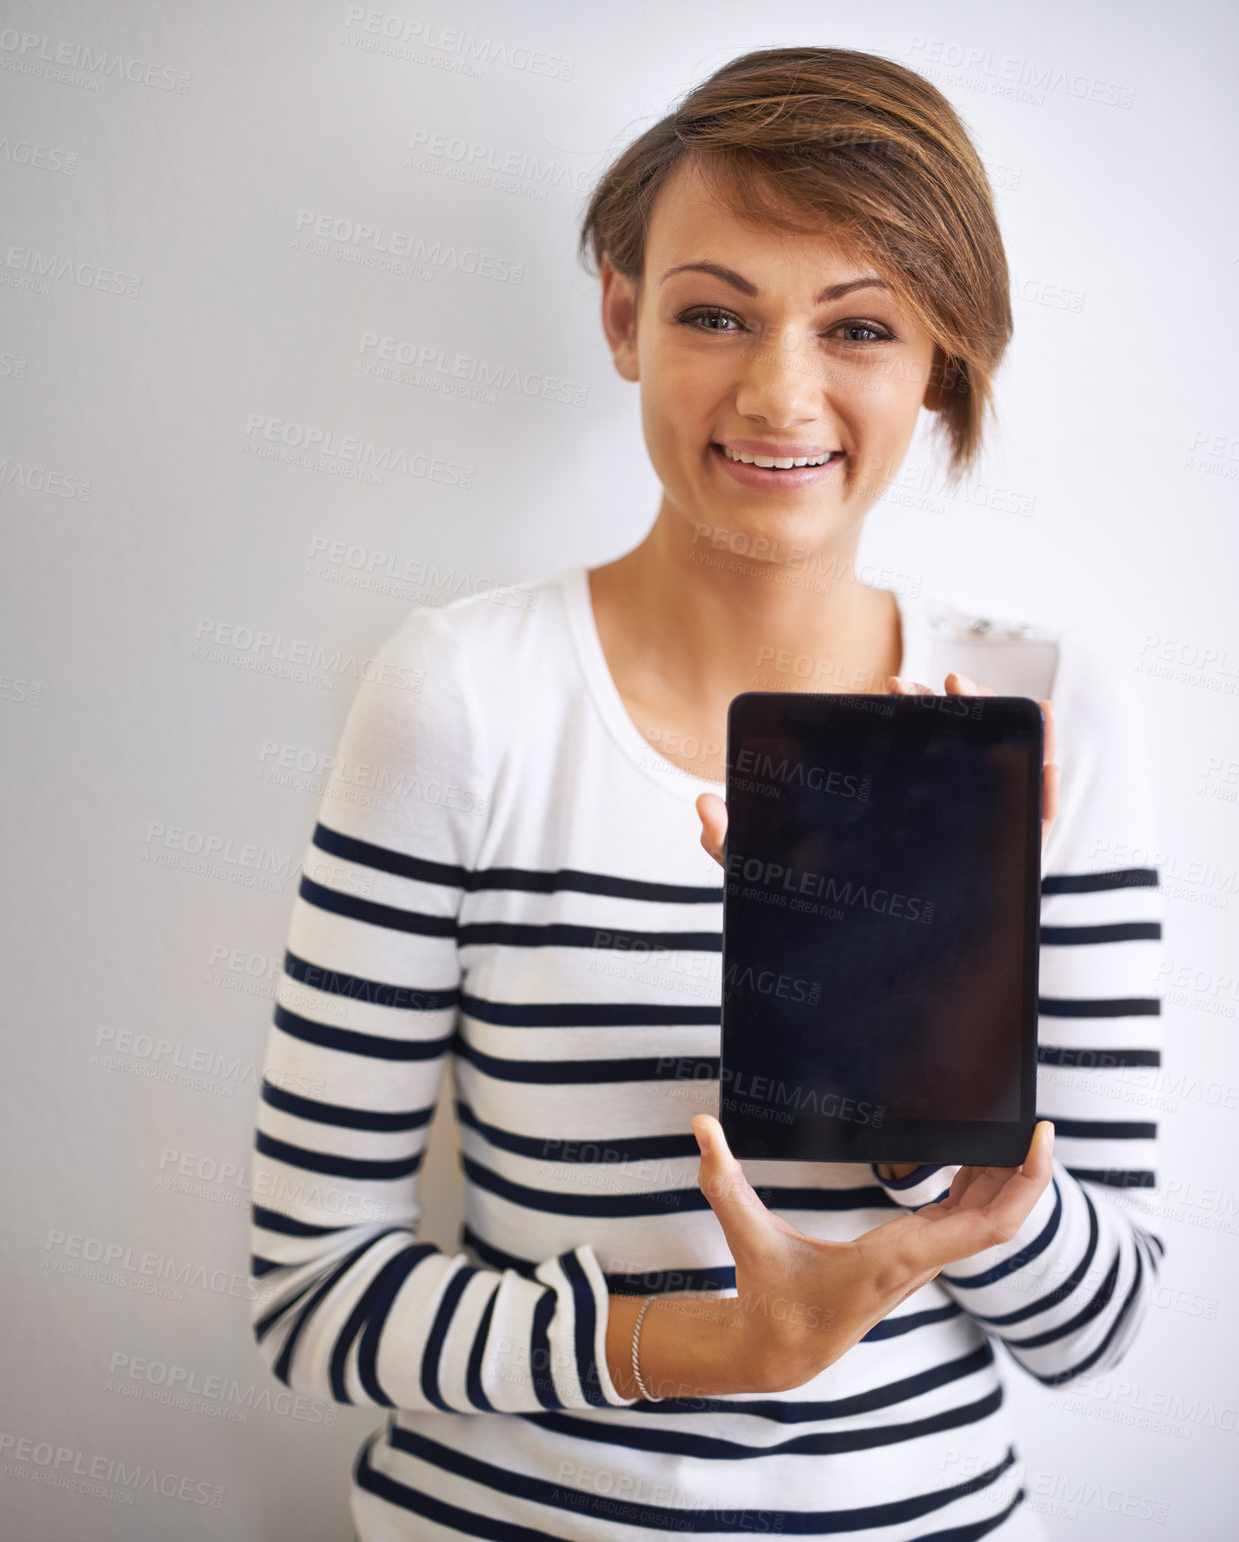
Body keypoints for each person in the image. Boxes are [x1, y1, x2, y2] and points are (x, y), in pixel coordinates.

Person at [247, 46, 1165, 1540]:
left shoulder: (1041, 714)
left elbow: (1096, 1324)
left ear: (942, 355)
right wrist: (694, 1348)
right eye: (714, 311)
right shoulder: (465, 696)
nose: (778, 391)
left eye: (858, 323)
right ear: (624, 312)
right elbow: (315, 1294)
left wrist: (910, 1065)